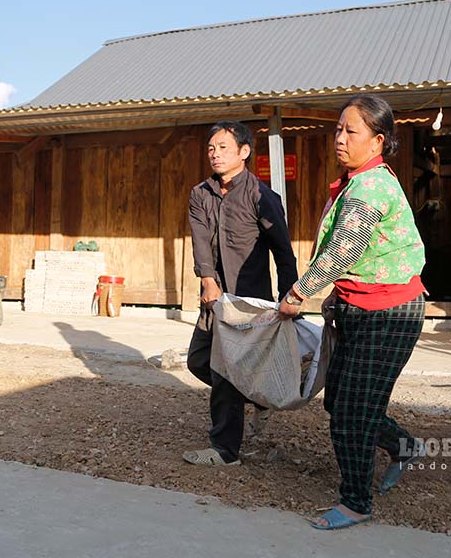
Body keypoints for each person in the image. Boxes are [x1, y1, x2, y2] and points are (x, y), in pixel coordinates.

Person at [278, 94, 427, 529]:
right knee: (341, 400)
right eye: (338, 129)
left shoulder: (372, 185)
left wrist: (298, 294)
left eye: (351, 131)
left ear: (377, 141)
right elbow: (352, 253)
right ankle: (403, 446)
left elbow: (344, 249)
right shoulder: (354, 180)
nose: (339, 139)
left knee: (351, 413)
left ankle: (356, 502)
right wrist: (335, 295)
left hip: (390, 313)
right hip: (357, 306)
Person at [183, 121, 298, 466]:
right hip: (214, 298)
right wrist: (207, 281)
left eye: (223, 148)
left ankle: (224, 450)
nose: (214, 154)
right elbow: (200, 241)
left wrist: (288, 297)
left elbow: (282, 250)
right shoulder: (200, 194)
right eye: (211, 148)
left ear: (244, 152)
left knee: (224, 371)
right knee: (198, 361)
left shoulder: (262, 196)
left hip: (249, 303)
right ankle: (258, 398)